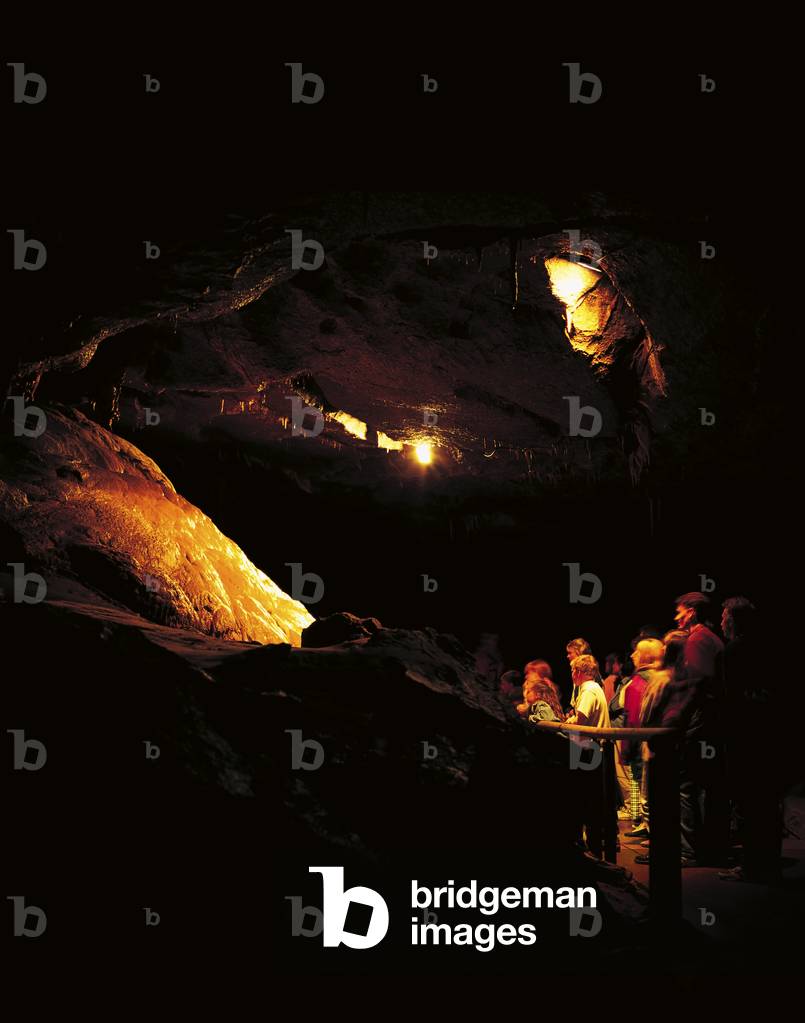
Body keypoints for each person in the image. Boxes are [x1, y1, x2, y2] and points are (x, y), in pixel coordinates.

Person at [718, 597, 781, 883]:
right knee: (767, 804)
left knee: (748, 803)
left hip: (743, 738)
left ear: (733, 620)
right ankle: (769, 863)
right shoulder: (766, 649)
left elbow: (729, 698)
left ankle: (752, 865)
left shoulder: (733, 652)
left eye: (724, 617)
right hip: (767, 738)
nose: (721, 622)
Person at [673, 591, 728, 866]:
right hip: (714, 721)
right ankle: (712, 848)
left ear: (692, 612)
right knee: (709, 786)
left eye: (680, 611)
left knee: (688, 785)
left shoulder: (697, 640)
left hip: (700, 723)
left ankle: (690, 850)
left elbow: (695, 686)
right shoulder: (714, 638)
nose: (676, 617)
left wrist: (678, 721)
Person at [622, 639, 664, 841]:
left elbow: (632, 721)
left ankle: (653, 835)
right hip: (665, 743)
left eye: (637, 652)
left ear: (646, 657)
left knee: (646, 790)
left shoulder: (637, 684)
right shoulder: (666, 677)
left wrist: (626, 750)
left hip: (644, 744)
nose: (632, 655)